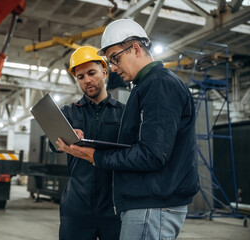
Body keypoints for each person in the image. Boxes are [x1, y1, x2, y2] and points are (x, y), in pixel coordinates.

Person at [56, 19, 200, 240]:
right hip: (93, 205)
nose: (114, 67)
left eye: (115, 59)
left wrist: (96, 156)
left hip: (150, 204)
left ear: (135, 48)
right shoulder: (145, 87)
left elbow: (152, 154)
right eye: (80, 77)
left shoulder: (158, 85)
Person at [54, 46, 124, 240]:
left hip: (114, 206)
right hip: (77, 206)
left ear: (104, 71)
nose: (87, 80)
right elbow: (54, 143)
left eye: (91, 73)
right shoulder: (68, 113)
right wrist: (67, 136)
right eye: (81, 77)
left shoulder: (124, 113)